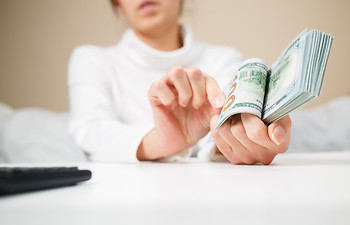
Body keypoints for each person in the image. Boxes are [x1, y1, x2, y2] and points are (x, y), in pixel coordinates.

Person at [67, 0, 292, 164]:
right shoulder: (91, 59)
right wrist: (160, 140)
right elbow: (90, 130)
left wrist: (246, 137)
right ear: (118, 6)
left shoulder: (225, 59)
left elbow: (232, 129)